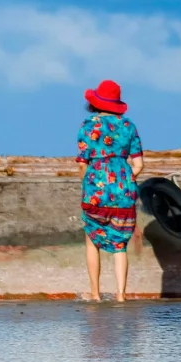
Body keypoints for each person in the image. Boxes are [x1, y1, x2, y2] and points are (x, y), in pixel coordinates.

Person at [77, 80, 144, 303]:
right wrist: (124, 180)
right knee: (120, 245)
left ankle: (95, 294)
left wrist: (91, 183)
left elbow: (82, 164)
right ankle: (121, 295)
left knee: (91, 241)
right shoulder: (128, 126)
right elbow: (139, 165)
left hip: (96, 186)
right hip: (124, 187)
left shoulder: (89, 126)